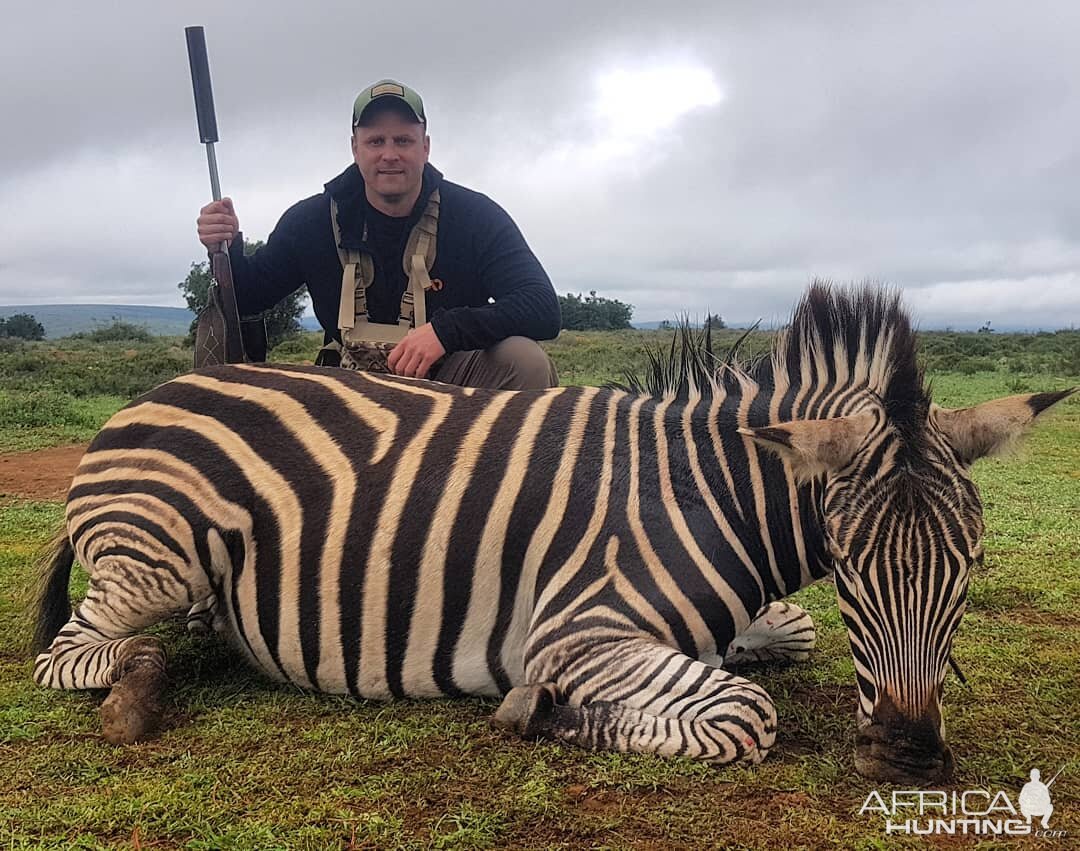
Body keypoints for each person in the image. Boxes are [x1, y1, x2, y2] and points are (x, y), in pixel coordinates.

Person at [196, 79, 560, 389]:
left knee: (524, 361)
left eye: (403, 141)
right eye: (375, 142)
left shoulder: (476, 217)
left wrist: (444, 332)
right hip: (349, 390)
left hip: (450, 391)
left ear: (425, 147)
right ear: (355, 148)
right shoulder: (310, 221)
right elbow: (247, 297)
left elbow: (542, 307)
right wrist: (224, 246)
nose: (389, 155)